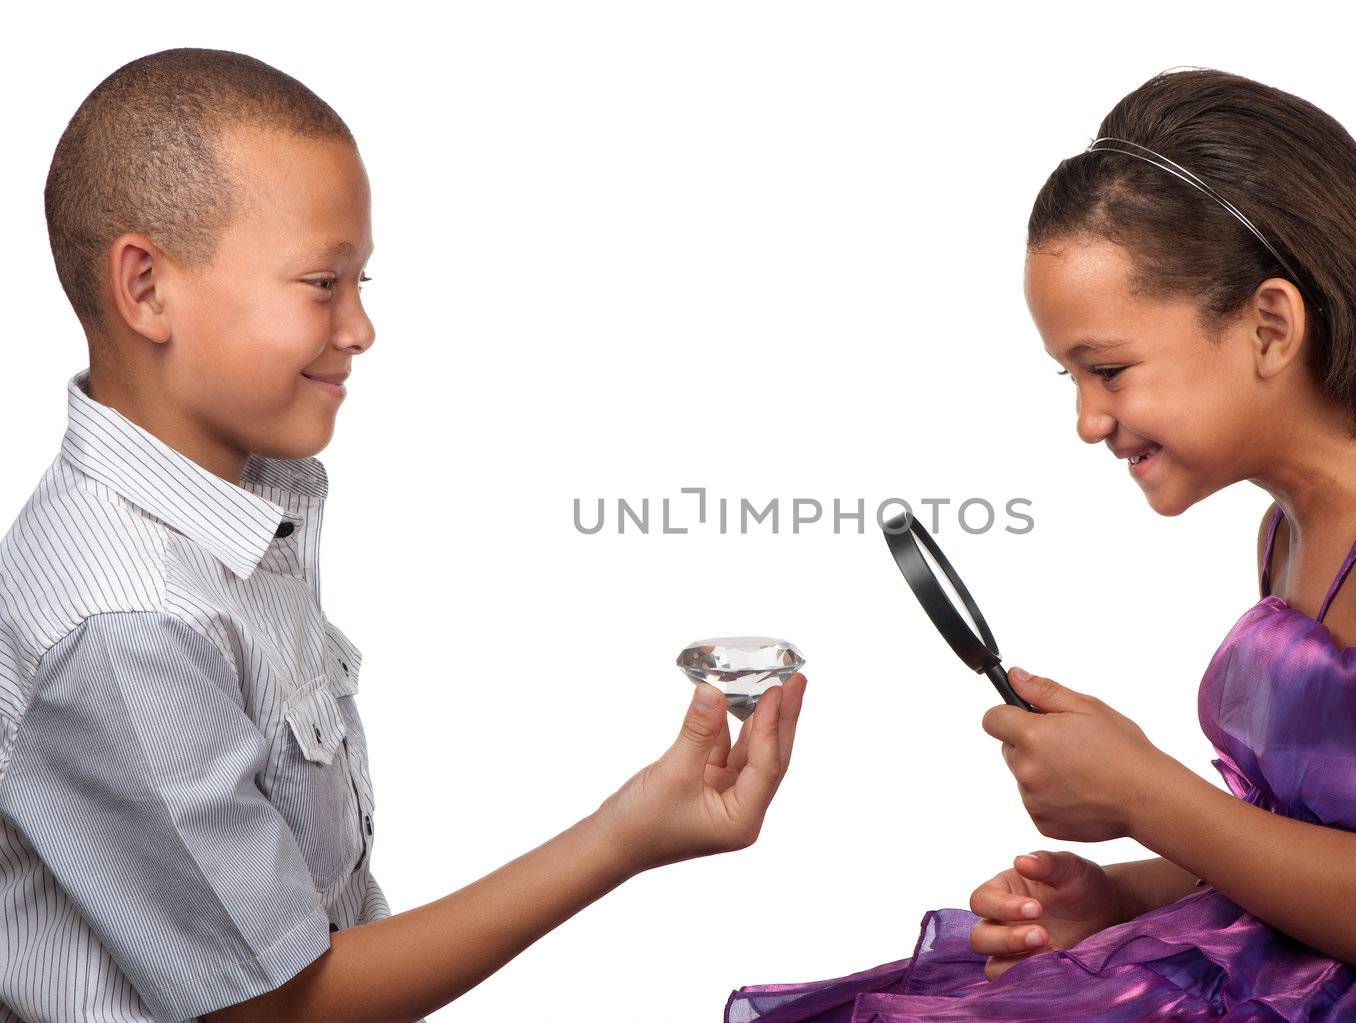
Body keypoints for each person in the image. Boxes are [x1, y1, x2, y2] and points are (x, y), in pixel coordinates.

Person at [726, 67, 1356, 1022]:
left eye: (1108, 369)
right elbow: (1311, 839)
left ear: (1270, 325)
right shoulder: (1292, 527)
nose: (1089, 420)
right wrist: (1124, 895)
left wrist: (1144, 790)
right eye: (1069, 378)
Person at [0, 48, 807, 1023]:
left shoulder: (232, 510)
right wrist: (621, 838)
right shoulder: (127, 622)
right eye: (321, 283)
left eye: (360, 280)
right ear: (146, 289)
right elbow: (278, 1009)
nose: (361, 328)